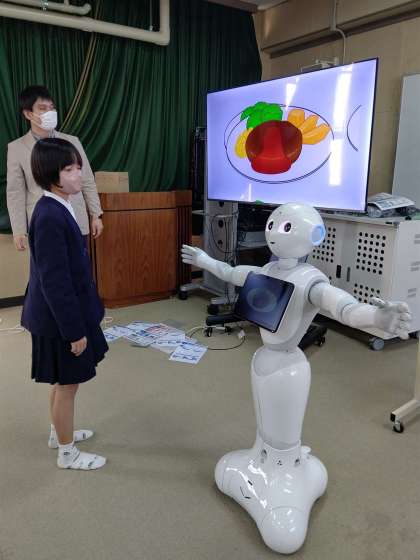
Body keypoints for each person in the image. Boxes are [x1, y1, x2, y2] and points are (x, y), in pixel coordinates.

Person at [22, 137, 108, 470]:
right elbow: (55, 283)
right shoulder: (48, 216)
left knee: (62, 382)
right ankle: (67, 452)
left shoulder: (60, 205)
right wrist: (74, 331)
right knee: (67, 384)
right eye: (69, 169)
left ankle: (58, 433)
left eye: (78, 167)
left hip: (59, 314)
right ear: (51, 174)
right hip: (58, 320)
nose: (78, 174)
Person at [6, 85, 103, 251]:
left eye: (51, 107)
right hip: (42, 222)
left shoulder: (72, 141)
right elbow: (16, 192)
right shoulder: (17, 148)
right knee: (49, 265)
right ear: (28, 114)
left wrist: (96, 214)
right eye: (42, 108)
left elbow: (86, 179)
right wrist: (19, 230)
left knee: (80, 264)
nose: (49, 112)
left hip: (76, 218)